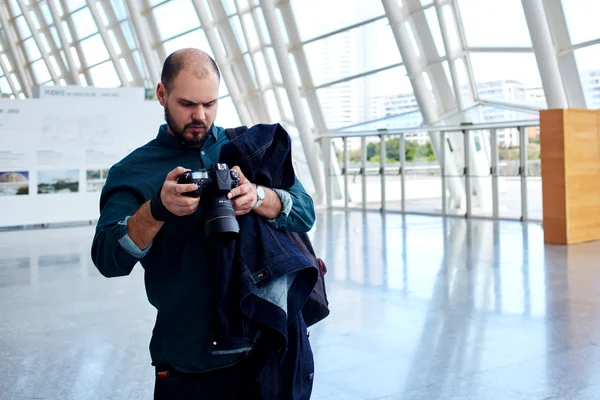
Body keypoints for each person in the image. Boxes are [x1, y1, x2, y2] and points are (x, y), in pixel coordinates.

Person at [91, 48, 316, 399]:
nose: (200, 115)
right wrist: (157, 210)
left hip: (268, 346)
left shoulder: (246, 148)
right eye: (187, 104)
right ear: (162, 94)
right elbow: (107, 260)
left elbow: (304, 212)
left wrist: (256, 196)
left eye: (210, 104)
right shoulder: (133, 172)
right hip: (191, 359)